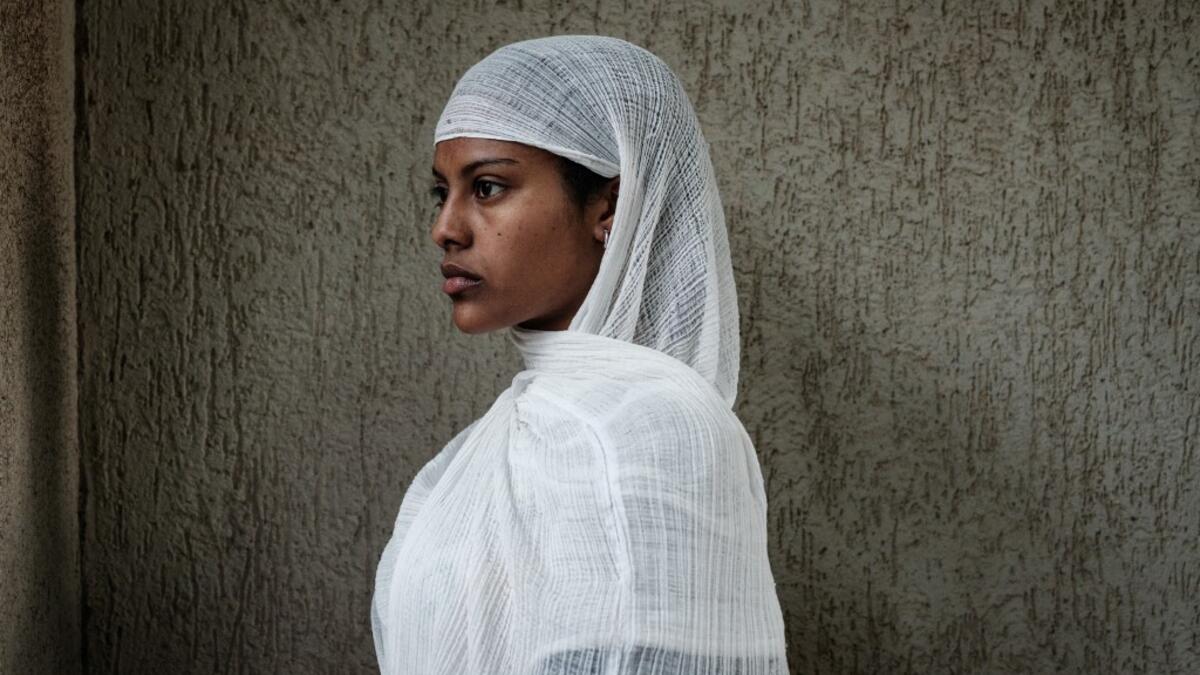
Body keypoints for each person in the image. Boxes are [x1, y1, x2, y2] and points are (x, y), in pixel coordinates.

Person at [371, 35, 789, 674]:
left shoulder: (653, 429)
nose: (445, 228)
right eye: (442, 192)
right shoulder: (510, 434)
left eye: (486, 187)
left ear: (610, 209)